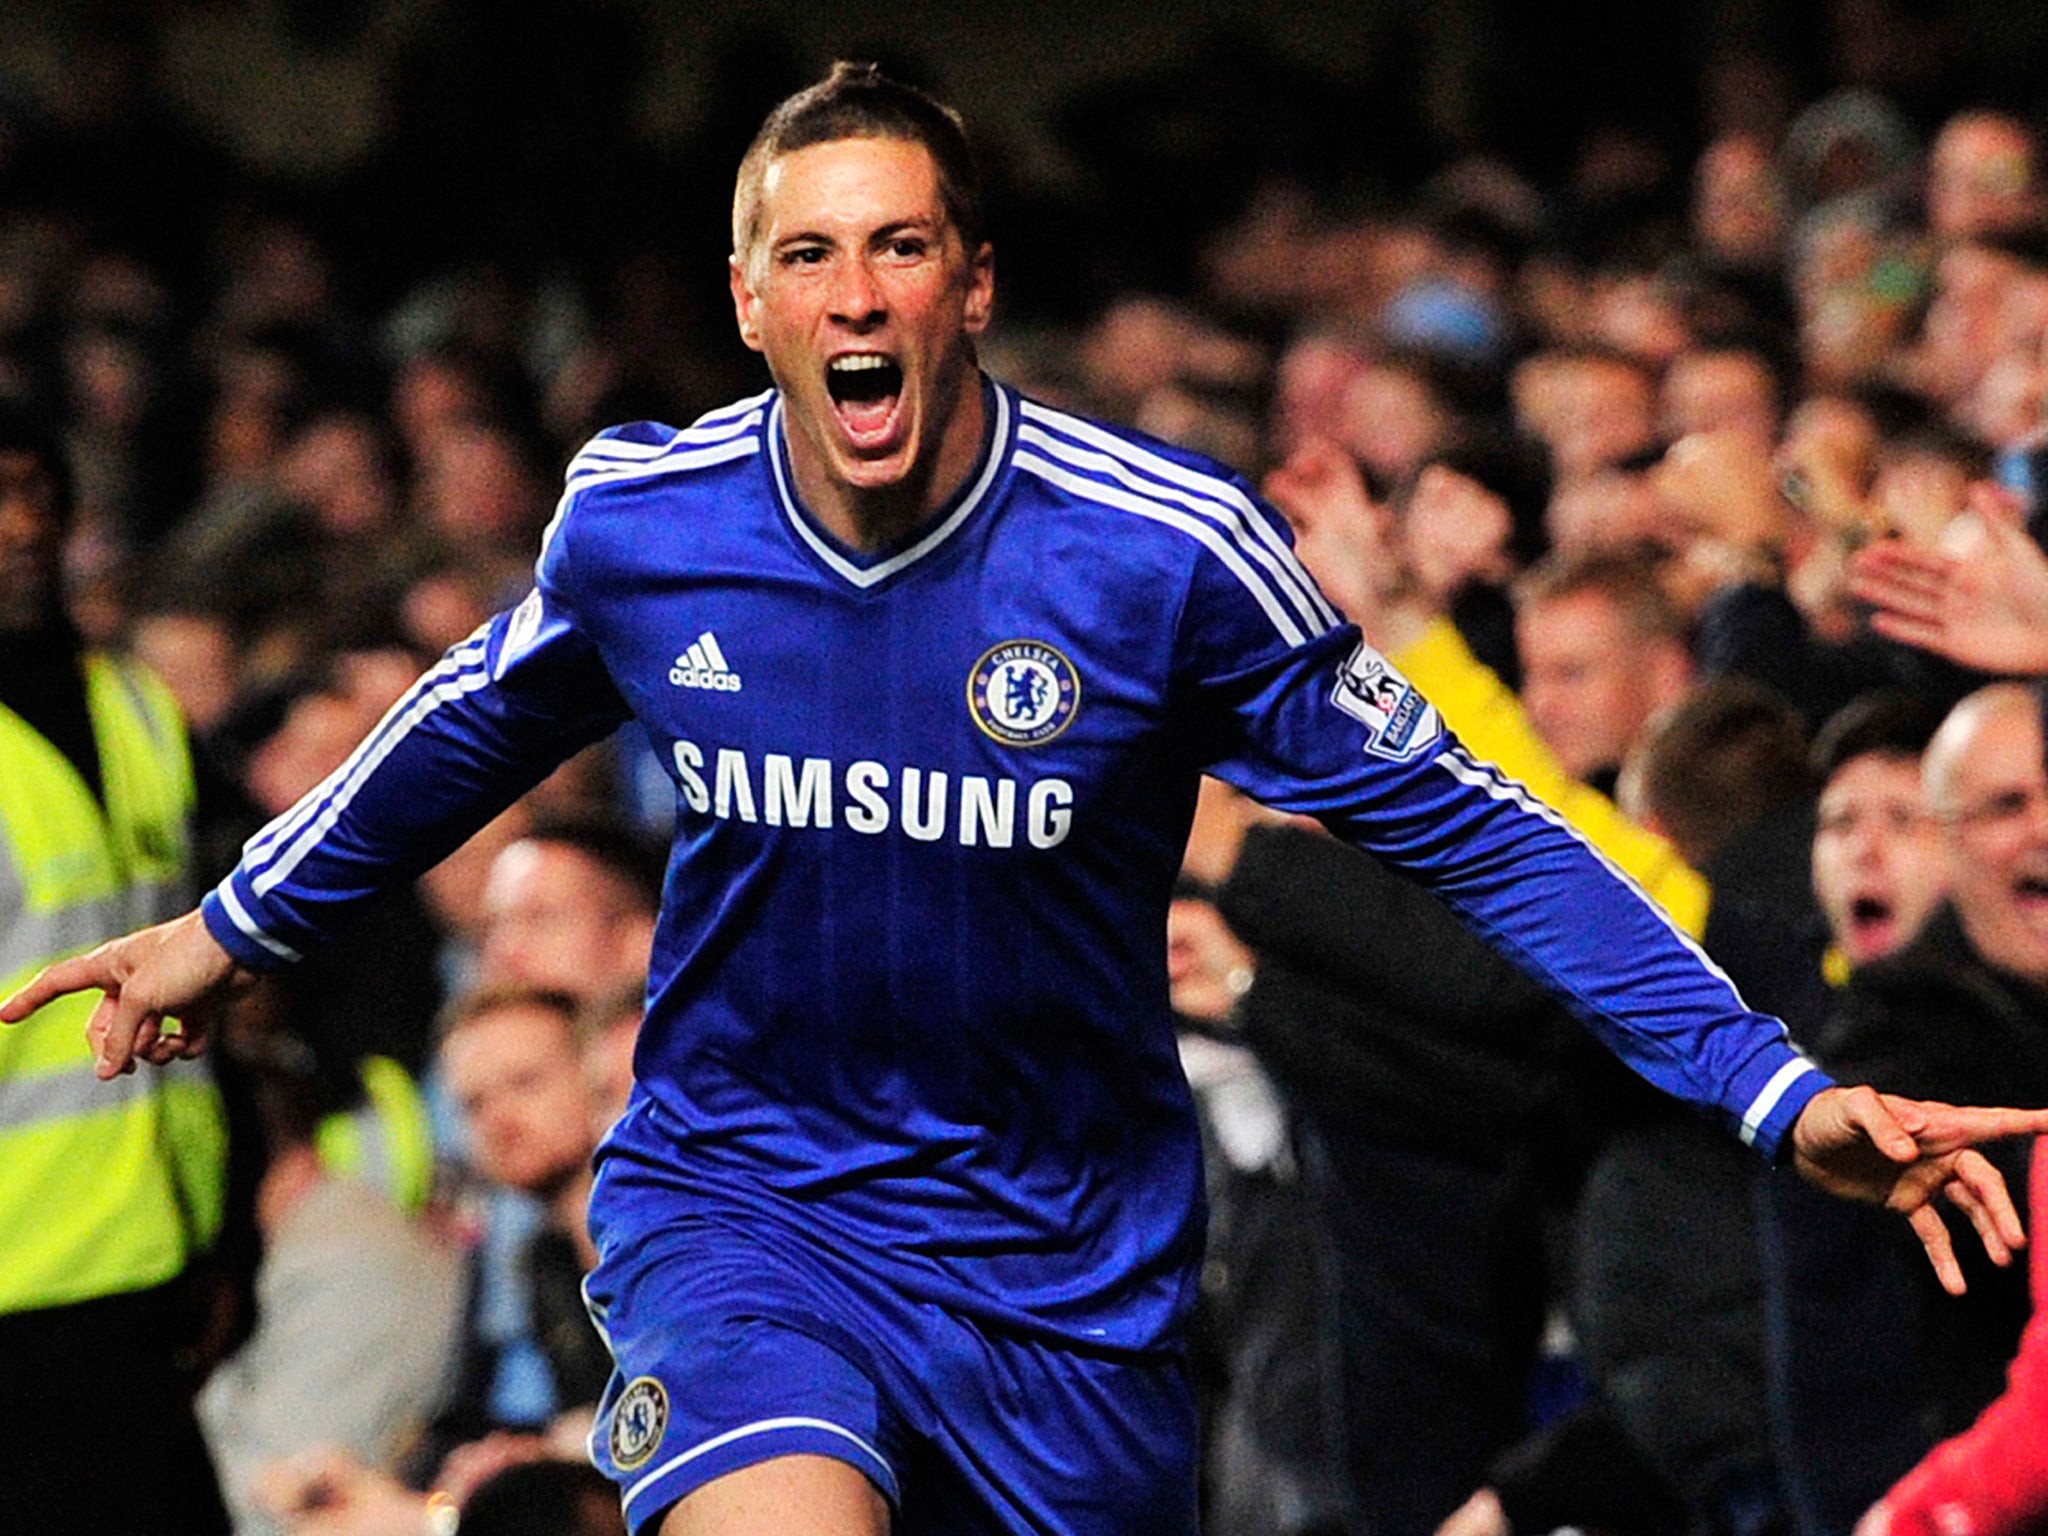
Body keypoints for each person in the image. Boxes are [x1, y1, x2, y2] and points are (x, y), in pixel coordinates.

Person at [9, 64, 2048, 1536]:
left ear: (970, 287)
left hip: (1067, 1276)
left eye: (901, 247)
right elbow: (466, 721)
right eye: (809, 256)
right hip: (750, 1198)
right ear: (751, 304)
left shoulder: (1158, 555)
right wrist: (234, 928)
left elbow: (1476, 823)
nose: (858, 293)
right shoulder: (647, 520)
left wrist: (1769, 1087)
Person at [0, 403, 235, 1534]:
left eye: (38, 489)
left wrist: (227, 1230)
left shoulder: (141, 705)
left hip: (158, 1268)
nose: (21, 525)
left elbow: (220, 970)